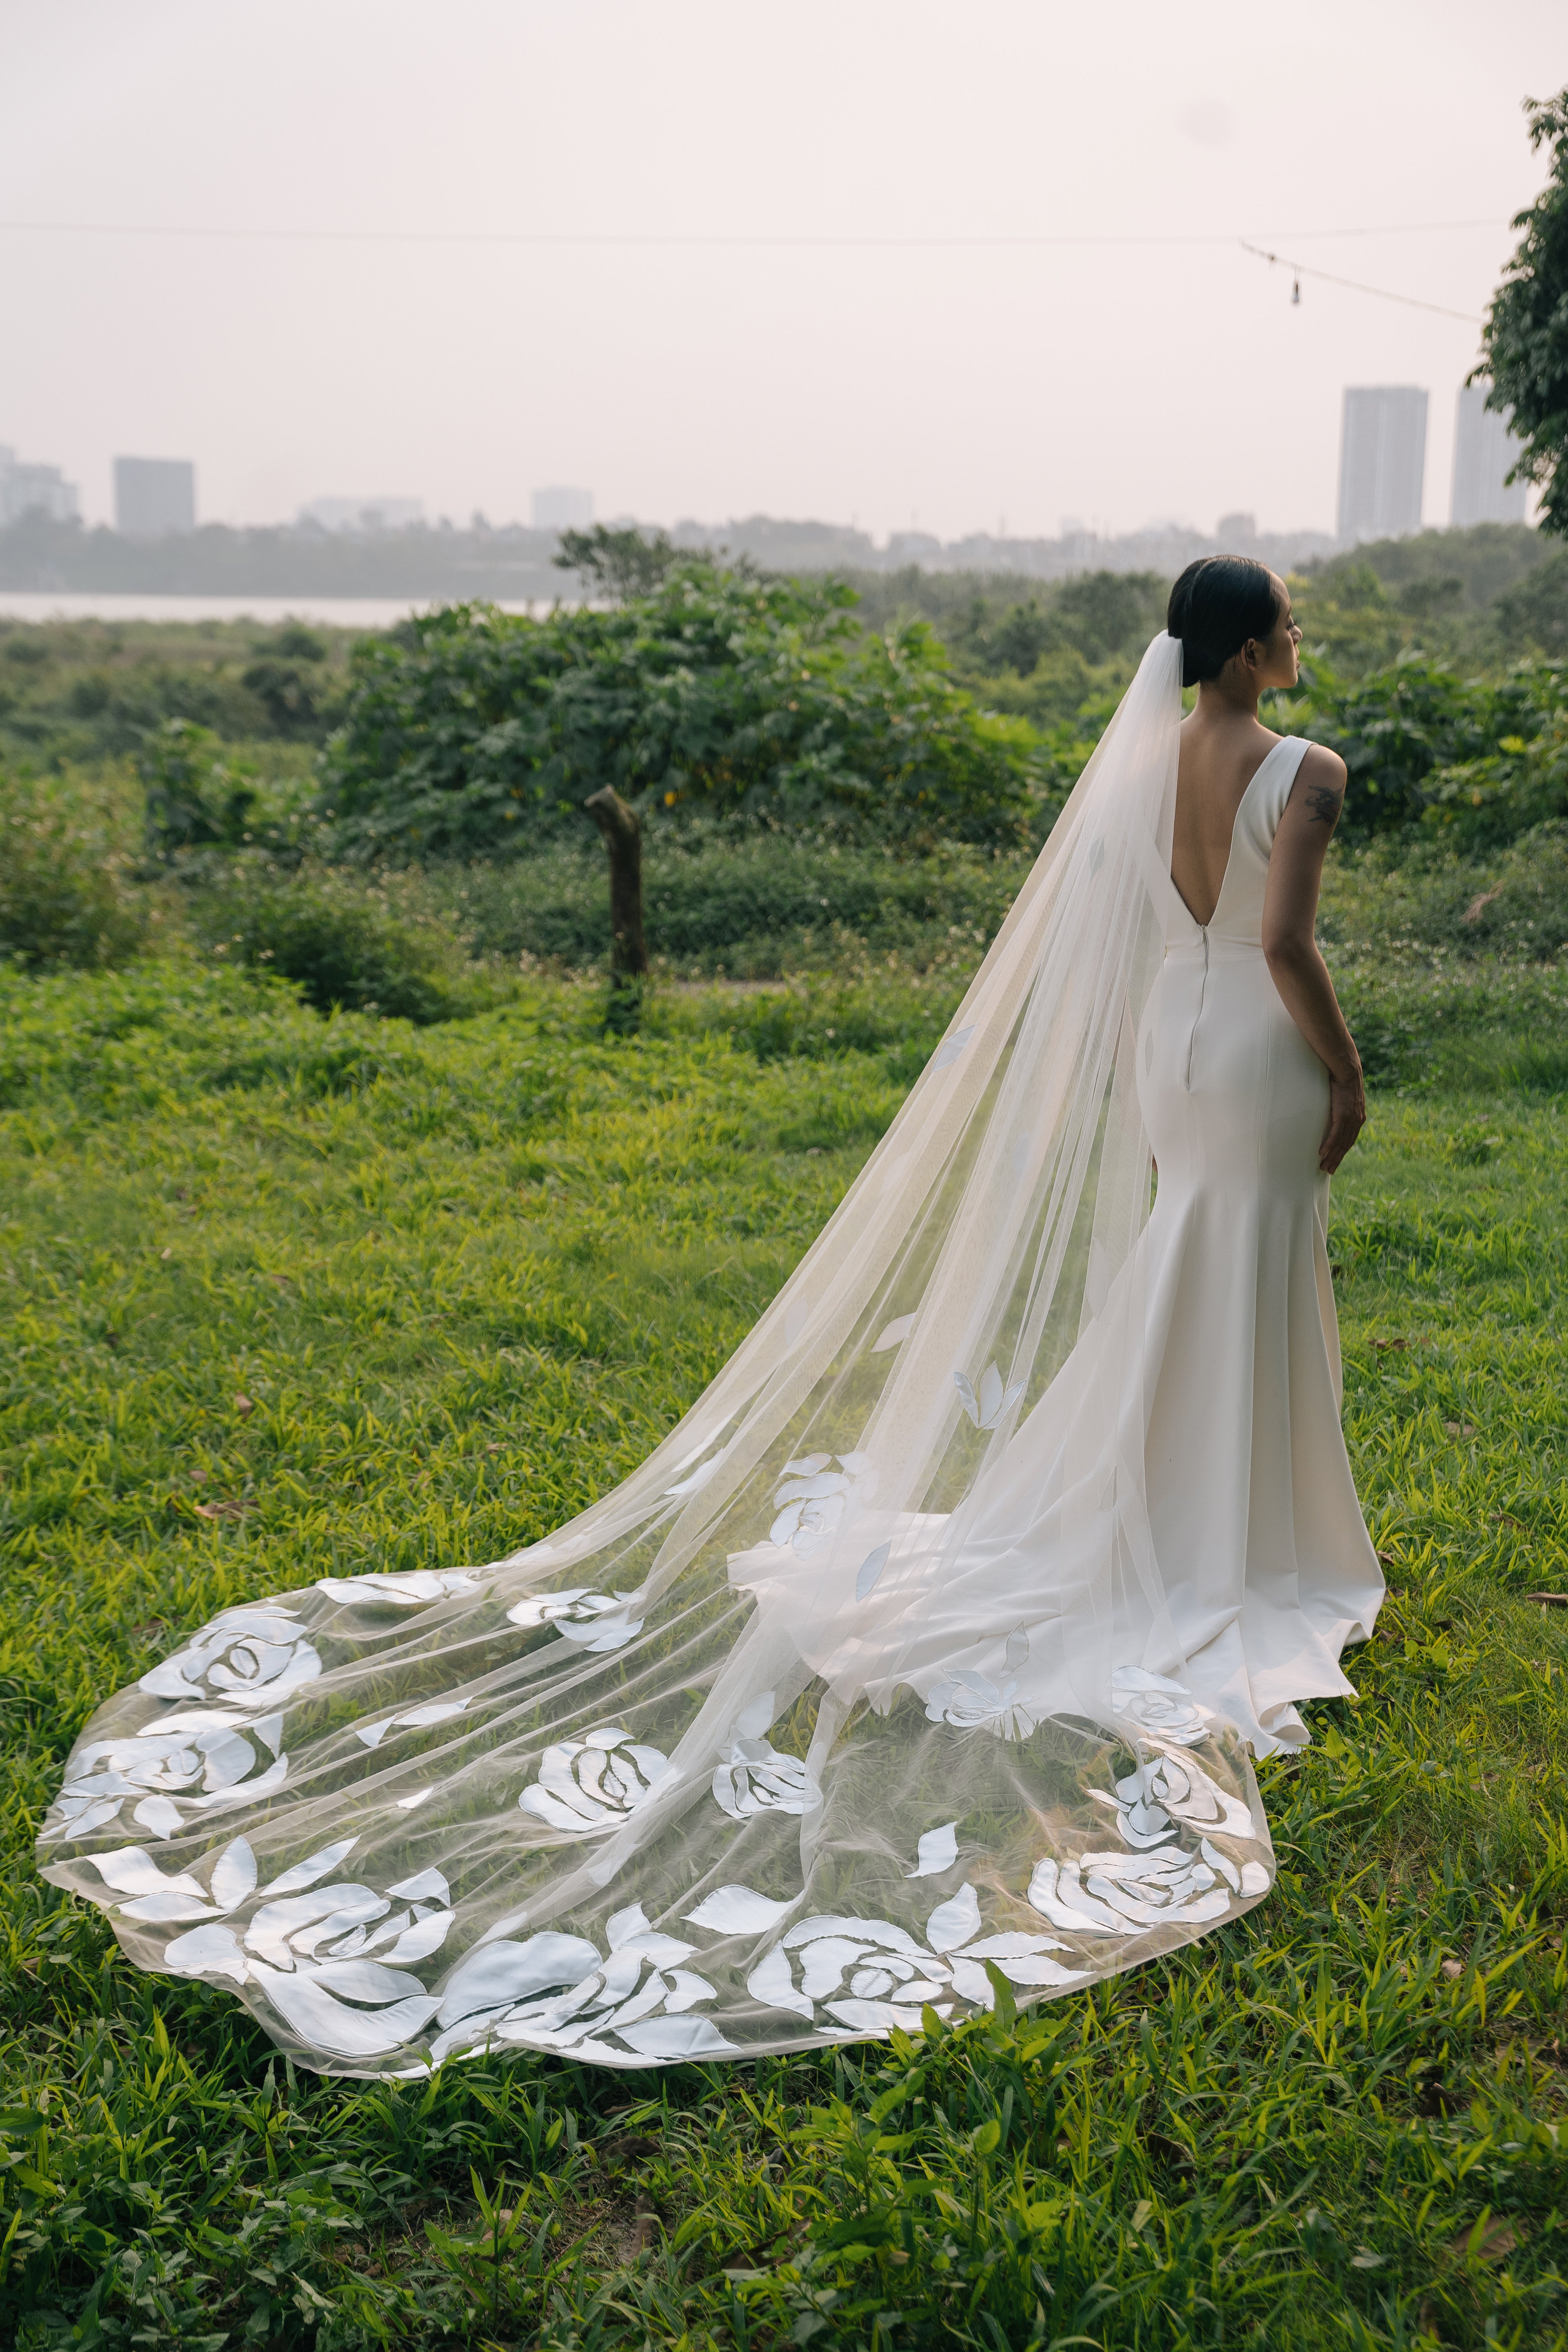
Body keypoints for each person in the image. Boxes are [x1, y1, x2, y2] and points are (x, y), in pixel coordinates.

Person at [39, 559, 1383, 2077]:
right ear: (1254, 643)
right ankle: (1236, 1532)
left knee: (1186, 1261)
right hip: (1258, 1042)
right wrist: (1342, 1068)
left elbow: (1159, 934)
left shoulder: (1141, 764)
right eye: (1286, 621)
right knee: (1249, 1261)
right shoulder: (1305, 770)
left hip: (1171, 1042)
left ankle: (1177, 1509)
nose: (1296, 641)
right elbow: (1282, 946)